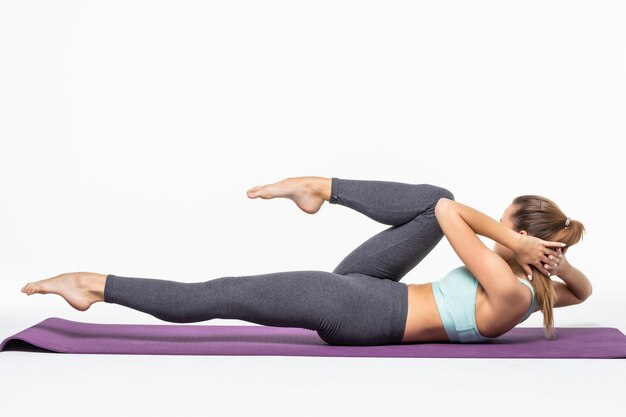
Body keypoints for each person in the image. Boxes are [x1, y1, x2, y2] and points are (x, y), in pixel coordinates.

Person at [20, 176, 591, 345]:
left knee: (217, 292)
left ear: (519, 236)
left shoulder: (510, 284)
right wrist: (553, 262)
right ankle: (320, 189)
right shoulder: (533, 295)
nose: (497, 230)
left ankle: (94, 285)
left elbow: (446, 212)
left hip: (360, 308)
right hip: (375, 292)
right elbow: (582, 291)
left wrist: (515, 248)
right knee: (429, 194)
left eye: (504, 222)